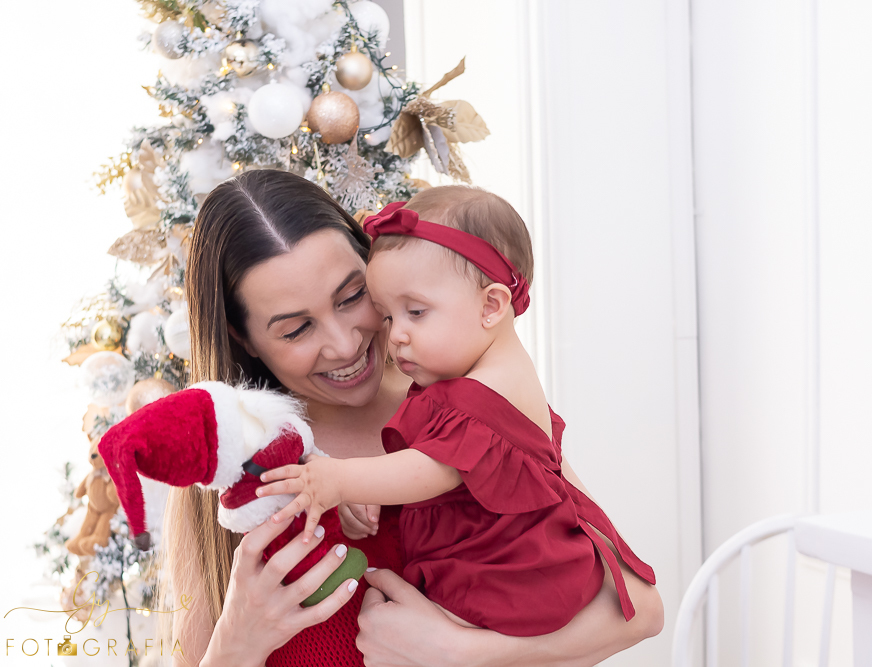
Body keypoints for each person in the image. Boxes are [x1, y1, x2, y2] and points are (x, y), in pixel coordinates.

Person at [168, 169, 663, 666]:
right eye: (297, 330)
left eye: (352, 297)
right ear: (244, 339)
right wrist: (239, 635)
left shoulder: (463, 407)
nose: (345, 345)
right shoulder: (230, 462)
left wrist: (459, 651)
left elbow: (640, 609)